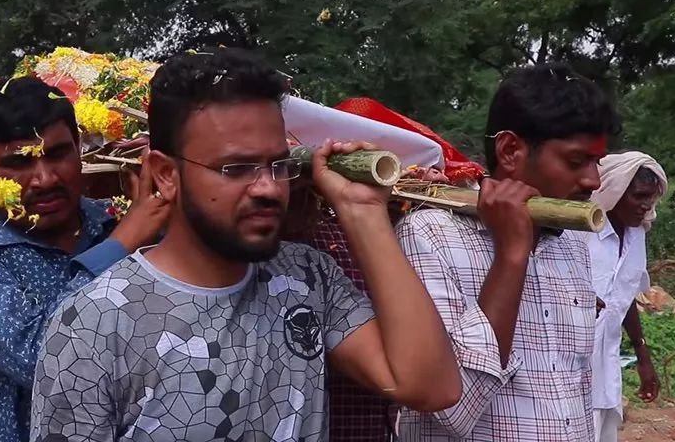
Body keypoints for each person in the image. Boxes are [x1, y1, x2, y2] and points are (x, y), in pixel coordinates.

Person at [31, 48, 461, 441]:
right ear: (166, 174)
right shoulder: (96, 321)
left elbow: (431, 387)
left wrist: (363, 212)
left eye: (278, 165)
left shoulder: (307, 279)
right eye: (236, 168)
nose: (268, 188)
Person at [0, 76, 170, 442]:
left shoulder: (122, 223)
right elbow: (41, 355)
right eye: (19, 162)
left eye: (57, 154)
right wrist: (121, 245)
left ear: (79, 150)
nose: (44, 179)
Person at [397, 63, 621, 441]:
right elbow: (453, 409)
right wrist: (512, 255)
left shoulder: (572, 244)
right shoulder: (429, 236)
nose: (593, 180)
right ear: (510, 150)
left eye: (597, 162)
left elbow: (575, 389)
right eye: (575, 161)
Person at [585, 152, 665, 442]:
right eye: (639, 196)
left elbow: (625, 296)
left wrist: (643, 356)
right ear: (615, 191)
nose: (646, 206)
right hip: (570, 364)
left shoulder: (637, 235)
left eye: (650, 198)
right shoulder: (580, 231)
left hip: (607, 363)